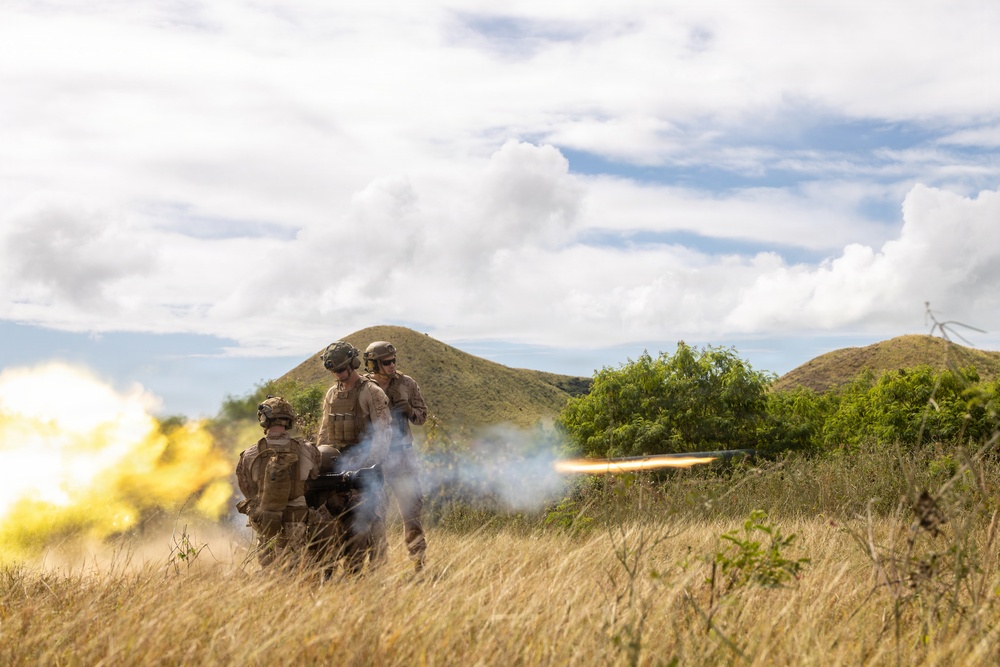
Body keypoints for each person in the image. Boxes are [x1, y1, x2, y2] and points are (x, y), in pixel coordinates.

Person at [315, 340, 393, 572]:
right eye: (333, 371)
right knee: (333, 526)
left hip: (364, 471)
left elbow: (383, 433)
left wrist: (367, 468)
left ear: (353, 364)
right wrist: (321, 462)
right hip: (337, 471)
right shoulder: (332, 394)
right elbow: (325, 431)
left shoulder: (371, 393)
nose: (337, 375)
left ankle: (375, 579)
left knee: (371, 527)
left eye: (340, 370)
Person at [363, 340, 429, 572]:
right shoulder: (363, 387)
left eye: (394, 361)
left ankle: (418, 566)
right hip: (376, 459)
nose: (392, 365)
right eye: (386, 362)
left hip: (403, 458)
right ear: (373, 364)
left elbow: (421, 418)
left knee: (411, 514)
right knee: (374, 515)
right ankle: (378, 567)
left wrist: (407, 409)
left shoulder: (407, 383)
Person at [236, 396, 320, 568]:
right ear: (289, 421)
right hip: (297, 518)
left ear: (264, 420)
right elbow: (315, 474)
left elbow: (246, 487)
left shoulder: (249, 454)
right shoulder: (307, 449)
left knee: (269, 567)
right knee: (299, 567)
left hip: (266, 519)